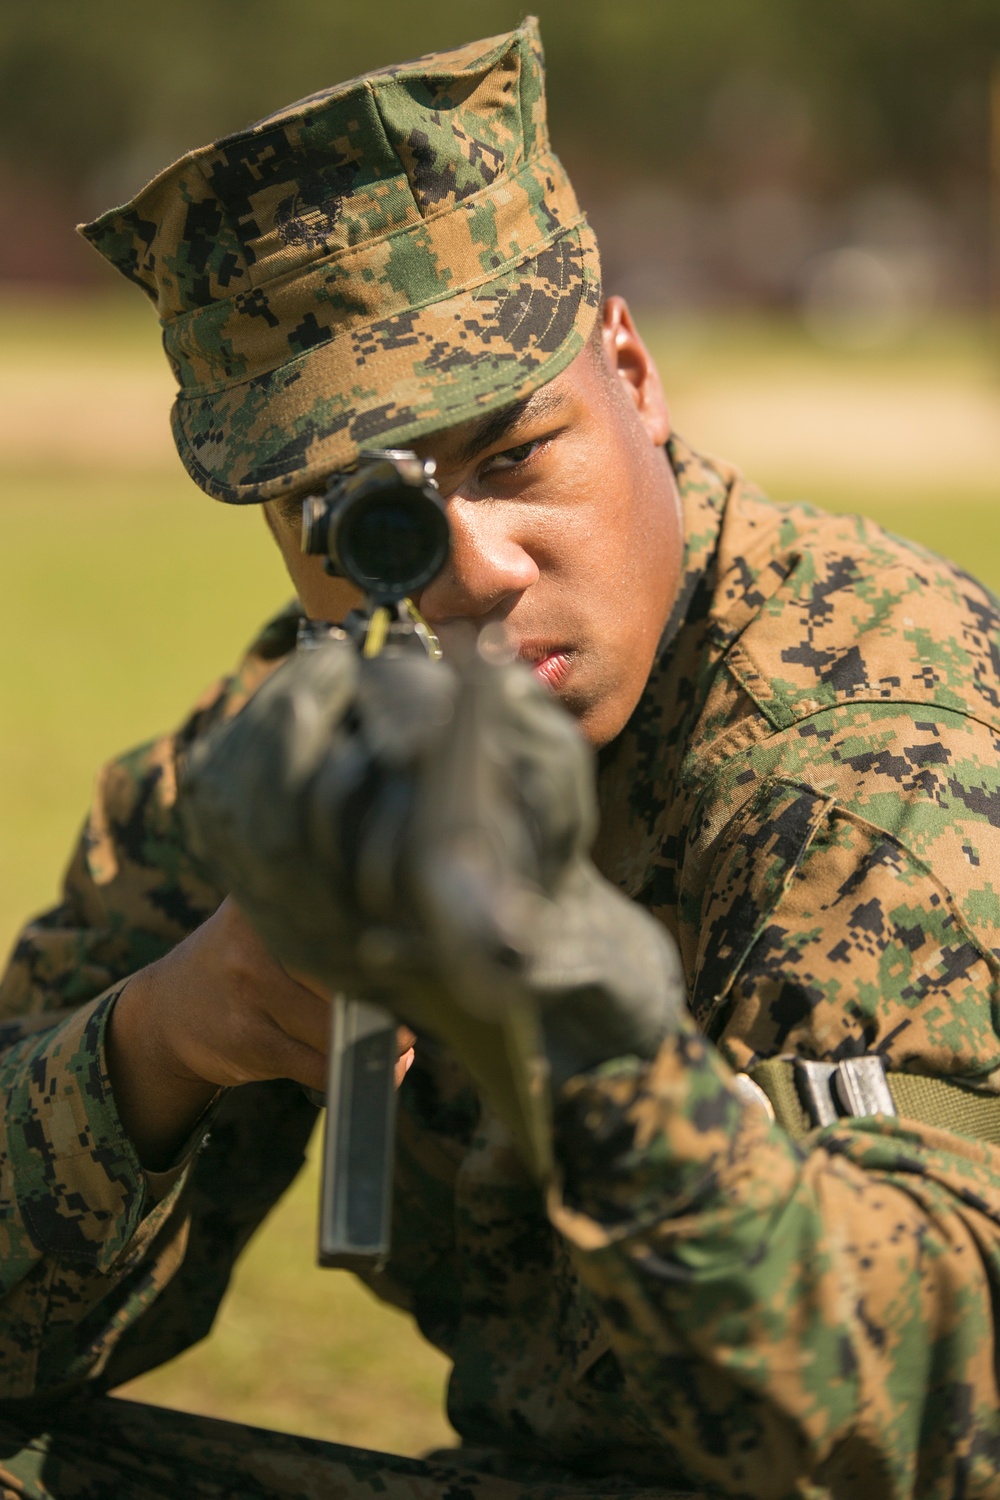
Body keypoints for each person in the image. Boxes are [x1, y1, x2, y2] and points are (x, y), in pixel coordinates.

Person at [0, 17, 999, 1499]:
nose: (467, 569)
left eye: (516, 459)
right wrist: (172, 1037)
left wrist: (584, 1031)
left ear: (635, 377)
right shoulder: (298, 760)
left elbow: (944, 1398)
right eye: (359, 522)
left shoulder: (864, 745)